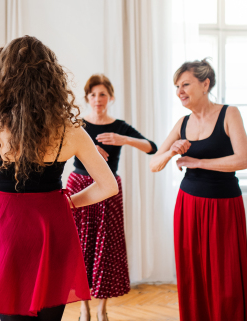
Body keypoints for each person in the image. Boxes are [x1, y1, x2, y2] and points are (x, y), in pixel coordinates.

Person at [0, 36, 119, 321]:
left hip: (8, 230)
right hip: (53, 229)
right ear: (51, 79)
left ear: (3, 78)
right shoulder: (72, 132)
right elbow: (108, 187)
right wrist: (69, 204)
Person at [149, 59, 247, 321]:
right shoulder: (181, 123)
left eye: (185, 84)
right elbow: (154, 164)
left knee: (226, 278)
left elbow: (244, 159)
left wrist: (198, 162)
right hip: (188, 206)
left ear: (205, 84)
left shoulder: (229, 113)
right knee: (192, 274)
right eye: (177, 86)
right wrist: (170, 152)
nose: (180, 91)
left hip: (224, 206)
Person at [67, 74, 157, 321]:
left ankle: (101, 308)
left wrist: (123, 139)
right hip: (79, 186)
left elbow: (152, 147)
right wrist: (84, 147)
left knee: (106, 246)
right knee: (80, 246)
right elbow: (58, 147)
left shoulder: (119, 126)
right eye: (93, 95)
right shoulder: (77, 125)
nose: (98, 99)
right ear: (87, 98)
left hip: (108, 189)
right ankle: (84, 308)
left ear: (111, 97)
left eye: (102, 94)